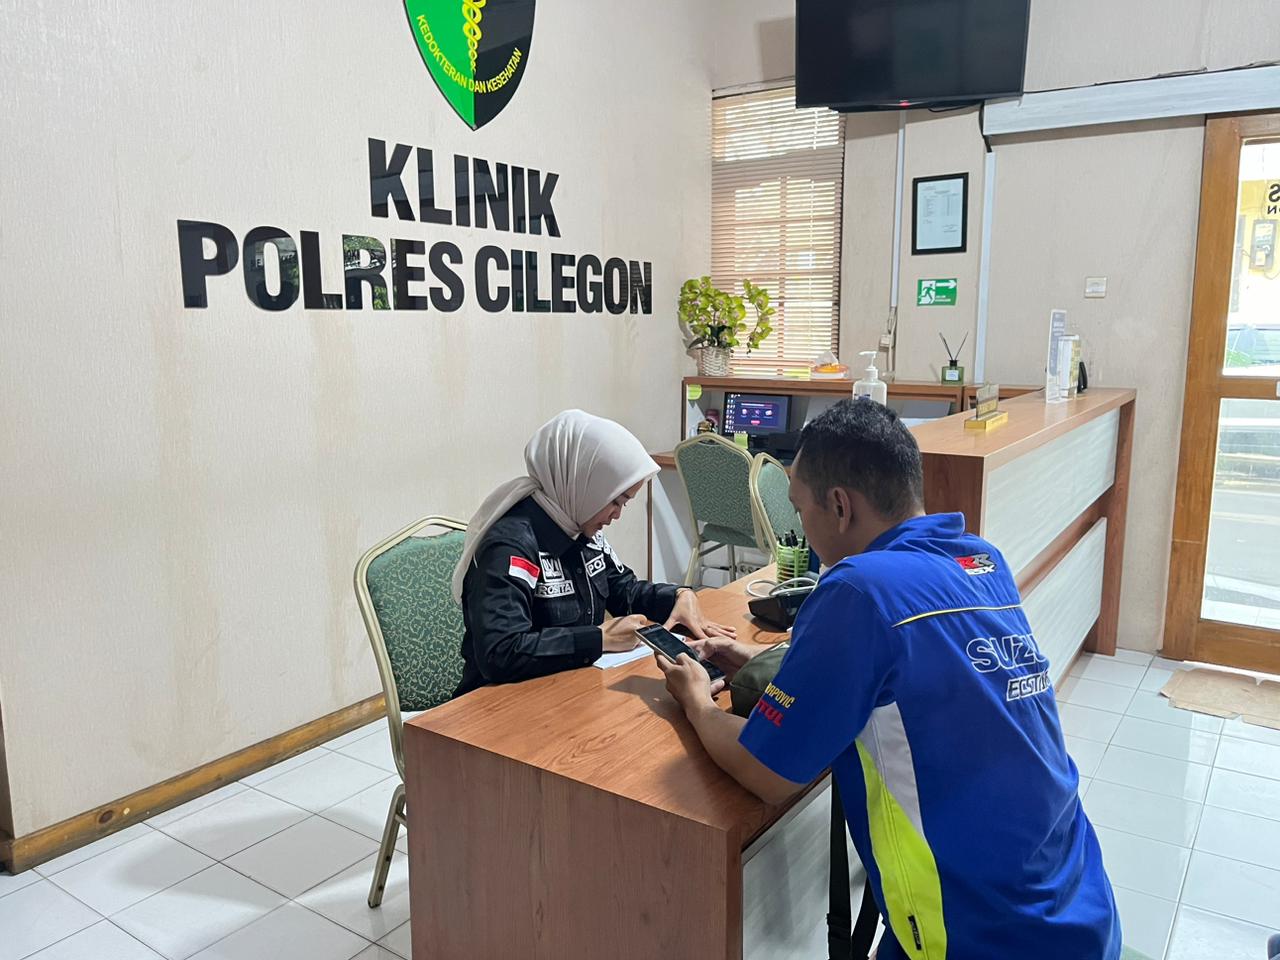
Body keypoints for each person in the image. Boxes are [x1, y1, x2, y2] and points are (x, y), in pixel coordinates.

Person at [657, 398, 1121, 960]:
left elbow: (768, 770)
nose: (801, 530)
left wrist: (697, 703)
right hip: (1078, 906)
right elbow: (922, 674)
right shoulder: (979, 561)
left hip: (984, 936)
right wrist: (759, 661)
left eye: (800, 510)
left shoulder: (857, 588)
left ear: (839, 506)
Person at [451, 409, 734, 698]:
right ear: (584, 484)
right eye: (615, 501)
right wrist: (599, 639)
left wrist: (678, 596)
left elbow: (623, 590)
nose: (617, 515)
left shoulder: (578, 526)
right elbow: (501, 652)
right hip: (499, 702)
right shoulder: (511, 545)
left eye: (624, 503)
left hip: (568, 691)